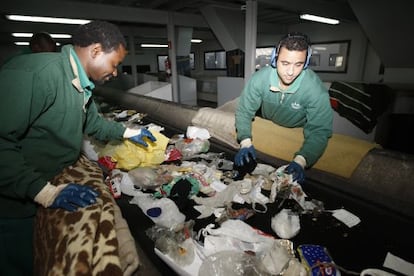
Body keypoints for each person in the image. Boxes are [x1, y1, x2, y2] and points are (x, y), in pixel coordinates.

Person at [0, 20, 155, 275]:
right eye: (114, 64)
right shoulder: (38, 74)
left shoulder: (80, 85)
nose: (115, 73)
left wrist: (129, 132)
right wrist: (44, 192)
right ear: (95, 51)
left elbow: (94, 123)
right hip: (15, 204)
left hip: (47, 182)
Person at [234, 32, 333, 184]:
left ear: (305, 63)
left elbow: (319, 130)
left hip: (295, 129)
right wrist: (245, 141)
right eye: (285, 63)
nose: (291, 72)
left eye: (298, 64)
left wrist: (301, 160)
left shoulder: (315, 90)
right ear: (275, 59)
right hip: (266, 121)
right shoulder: (260, 79)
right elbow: (244, 111)